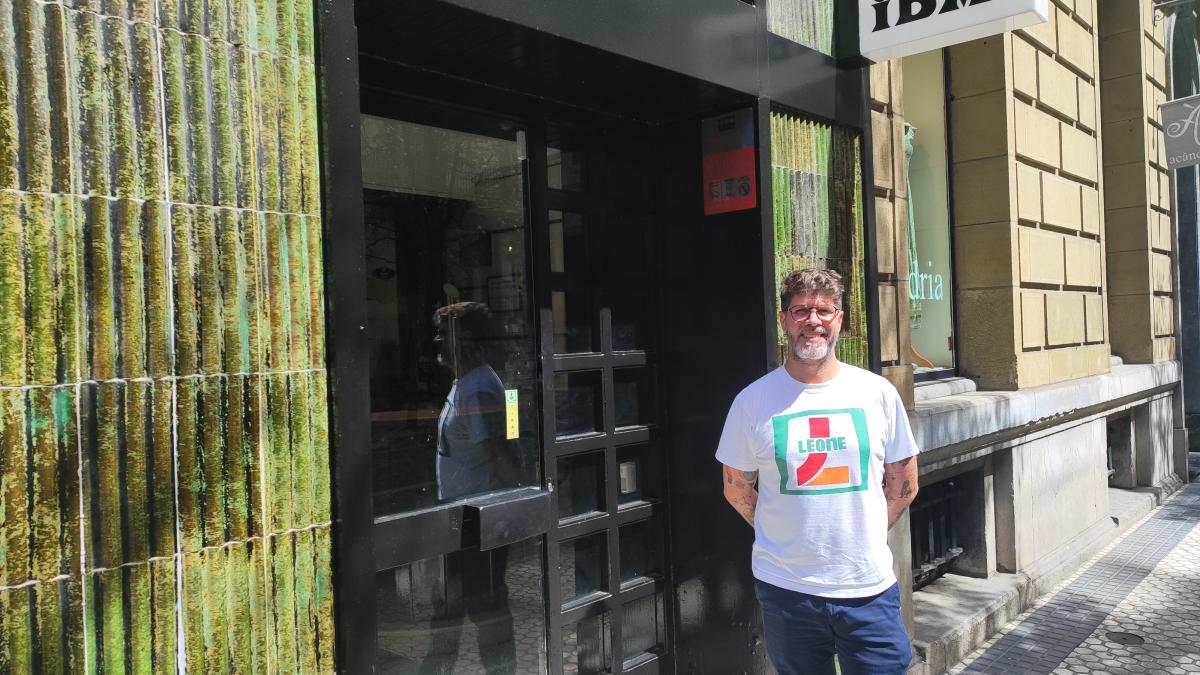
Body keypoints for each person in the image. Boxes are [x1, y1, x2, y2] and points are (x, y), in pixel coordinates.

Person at [716, 269, 920, 675]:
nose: (813, 320)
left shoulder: (876, 393)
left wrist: (867, 529)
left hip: (867, 586)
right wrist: (782, 532)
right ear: (783, 320)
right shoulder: (752, 401)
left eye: (823, 311)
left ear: (839, 319)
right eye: (800, 310)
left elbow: (904, 481)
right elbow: (736, 487)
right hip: (787, 589)